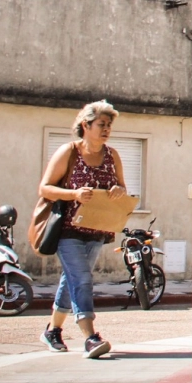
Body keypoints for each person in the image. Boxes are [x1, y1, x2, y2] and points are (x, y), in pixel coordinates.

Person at [37, 100, 128, 357]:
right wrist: (74, 194)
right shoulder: (69, 152)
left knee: (73, 280)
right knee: (82, 279)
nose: (106, 129)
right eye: (101, 124)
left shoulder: (112, 155)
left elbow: (122, 188)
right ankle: (90, 337)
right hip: (68, 230)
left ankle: (52, 331)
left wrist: (119, 191)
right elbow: (45, 188)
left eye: (109, 125)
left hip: (97, 229)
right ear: (86, 126)